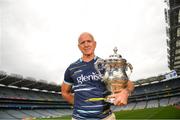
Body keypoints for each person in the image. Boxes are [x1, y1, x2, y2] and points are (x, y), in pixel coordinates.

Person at [61, 32, 134, 120]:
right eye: (82, 42)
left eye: (89, 41)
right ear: (79, 46)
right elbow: (65, 92)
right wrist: (80, 104)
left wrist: (125, 92)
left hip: (106, 118)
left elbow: (129, 84)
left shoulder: (106, 64)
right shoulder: (71, 68)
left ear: (94, 44)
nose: (86, 44)